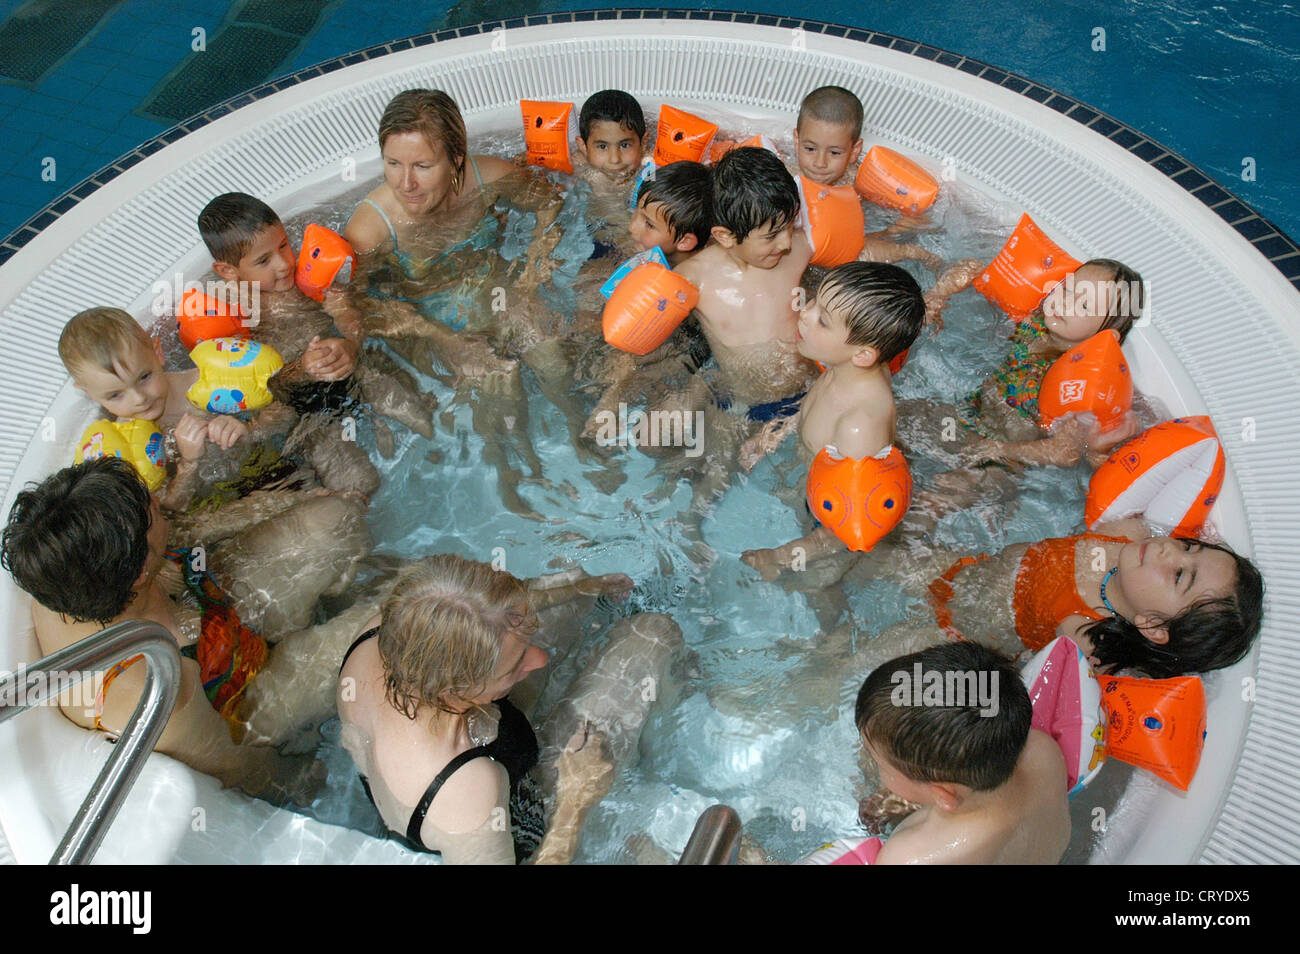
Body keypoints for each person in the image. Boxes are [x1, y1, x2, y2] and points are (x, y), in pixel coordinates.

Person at [0, 458, 368, 800]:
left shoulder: (61, 568)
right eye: (152, 509)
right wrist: (305, 782)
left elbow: (181, 533)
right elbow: (237, 765)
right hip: (243, 697)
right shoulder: (159, 693)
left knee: (337, 518)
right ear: (144, 570)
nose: (158, 502)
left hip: (210, 608)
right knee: (379, 622)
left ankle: (324, 604)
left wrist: (277, 503)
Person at [336, 554, 641, 864]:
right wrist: (575, 802)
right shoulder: (468, 792)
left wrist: (583, 587)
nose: (539, 659)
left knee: (571, 580)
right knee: (654, 633)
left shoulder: (386, 629)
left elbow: (484, 611)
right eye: (517, 662)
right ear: (455, 689)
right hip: (485, 815)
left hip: (463, 728)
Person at [740, 262, 924, 576]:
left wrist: (778, 558)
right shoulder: (846, 367)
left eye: (823, 320)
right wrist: (781, 429)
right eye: (812, 301)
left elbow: (844, 533)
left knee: (816, 588)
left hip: (826, 520)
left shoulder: (859, 426)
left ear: (863, 354)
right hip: (821, 478)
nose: (805, 313)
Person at [845, 641, 1070, 864]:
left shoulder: (910, 856)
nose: (874, 763)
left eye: (879, 764)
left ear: (943, 795)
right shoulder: (1042, 750)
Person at [58, 306, 293, 512]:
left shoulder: (201, 384)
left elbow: (288, 412)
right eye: (115, 395)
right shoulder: (123, 448)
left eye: (144, 377)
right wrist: (189, 463)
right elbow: (170, 508)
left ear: (157, 352)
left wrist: (249, 429)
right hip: (218, 502)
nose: (139, 399)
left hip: (270, 463)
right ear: (89, 393)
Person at [344, 88, 516, 257]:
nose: (406, 185)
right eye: (394, 163)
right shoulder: (368, 232)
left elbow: (541, 210)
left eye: (422, 166)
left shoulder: (493, 178)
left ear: (455, 161)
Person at [572, 89, 647, 190]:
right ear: (583, 147)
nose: (615, 159)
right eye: (602, 146)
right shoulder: (577, 165)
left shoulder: (650, 169)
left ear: (643, 143)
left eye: (624, 145)